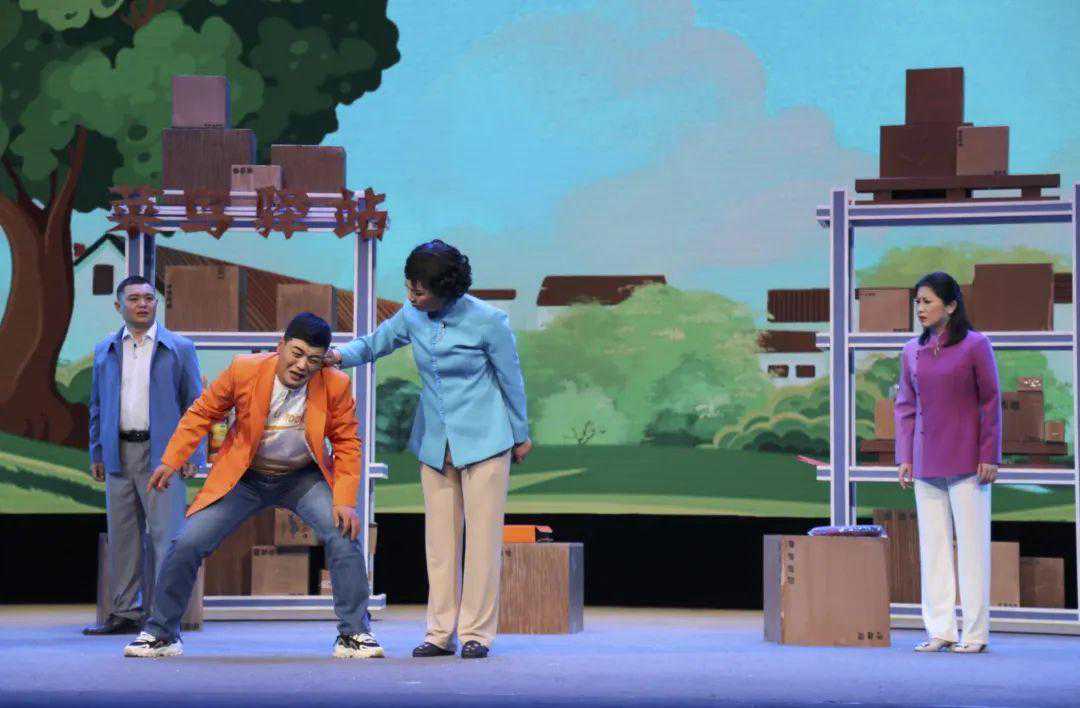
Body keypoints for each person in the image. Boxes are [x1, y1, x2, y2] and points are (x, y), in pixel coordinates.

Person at [123, 313, 382, 659]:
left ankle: (354, 633)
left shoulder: (335, 385)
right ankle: (161, 633)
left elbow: (347, 443)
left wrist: (345, 501)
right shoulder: (244, 369)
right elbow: (202, 413)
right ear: (281, 346)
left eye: (313, 360)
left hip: (302, 477)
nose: (302, 365)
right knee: (187, 542)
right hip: (245, 476)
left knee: (343, 534)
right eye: (297, 353)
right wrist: (172, 459)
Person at [325, 239, 531, 659]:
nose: (412, 297)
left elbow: (511, 379)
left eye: (419, 291)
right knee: (439, 544)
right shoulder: (412, 315)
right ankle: (440, 632)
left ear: (446, 289)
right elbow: (372, 344)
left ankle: (476, 633)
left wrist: (520, 433)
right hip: (436, 442)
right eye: (410, 288)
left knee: (482, 541)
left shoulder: (489, 321)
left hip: (486, 439)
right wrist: (334, 356)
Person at [84, 276, 204, 635]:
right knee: (123, 538)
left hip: (163, 456)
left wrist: (192, 453)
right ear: (118, 306)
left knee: (167, 538)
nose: (142, 304)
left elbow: (196, 405)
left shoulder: (179, 348)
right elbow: (97, 405)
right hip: (118, 452)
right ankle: (124, 612)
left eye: (149, 298)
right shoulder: (105, 348)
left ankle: (163, 616)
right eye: (134, 298)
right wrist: (97, 450)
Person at [895, 271, 1001, 654]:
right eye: (917, 302)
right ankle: (940, 629)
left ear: (951, 305)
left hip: (968, 462)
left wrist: (989, 454)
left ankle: (974, 633)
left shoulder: (976, 345)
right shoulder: (911, 350)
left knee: (972, 549)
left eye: (927, 301)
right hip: (926, 460)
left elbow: (990, 401)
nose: (920, 309)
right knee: (933, 549)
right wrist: (905, 456)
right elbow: (905, 406)